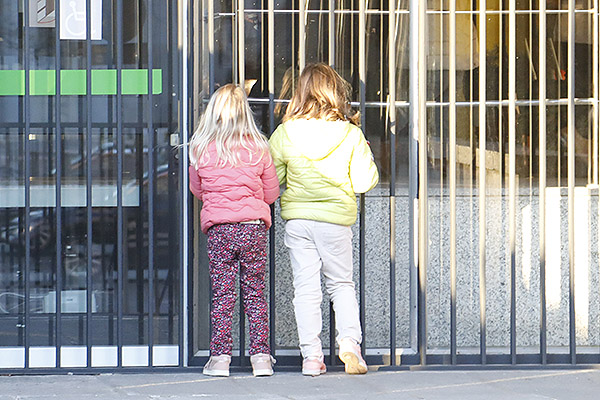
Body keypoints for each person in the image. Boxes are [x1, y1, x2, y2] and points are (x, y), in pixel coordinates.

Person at [269, 63, 379, 376]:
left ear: (300, 94)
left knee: (305, 289)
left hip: (299, 220)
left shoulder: (286, 133)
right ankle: (348, 344)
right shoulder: (350, 134)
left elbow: (273, 178)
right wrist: (366, 153)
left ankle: (311, 358)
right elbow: (363, 182)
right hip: (335, 221)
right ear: (336, 92)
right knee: (341, 284)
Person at [188, 84, 280, 377]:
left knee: (223, 294)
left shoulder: (200, 147)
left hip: (220, 229)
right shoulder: (259, 147)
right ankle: (261, 358)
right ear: (245, 113)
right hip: (253, 228)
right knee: (255, 292)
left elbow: (197, 189)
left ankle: (220, 359)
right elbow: (271, 193)